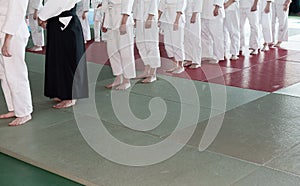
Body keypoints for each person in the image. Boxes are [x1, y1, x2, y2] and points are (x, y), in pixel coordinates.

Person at [38, 0, 89, 108]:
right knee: (57, 58)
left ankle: (70, 96)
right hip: (56, 20)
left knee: (68, 59)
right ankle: (60, 91)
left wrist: (42, 16)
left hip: (66, 22)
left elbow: (58, 2)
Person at [0, 0, 33, 126]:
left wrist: (7, 40)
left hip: (13, 33)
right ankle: (14, 108)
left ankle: (24, 112)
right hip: (2, 29)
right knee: (4, 74)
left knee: (15, 73)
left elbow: (16, 13)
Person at [102, 0, 136, 90]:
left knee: (126, 51)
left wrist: (124, 22)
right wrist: (104, 22)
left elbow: (128, 3)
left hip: (123, 19)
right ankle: (118, 77)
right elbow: (106, 5)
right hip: (110, 20)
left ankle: (126, 80)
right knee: (112, 51)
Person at [133, 0, 161, 83]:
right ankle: (146, 71)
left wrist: (150, 17)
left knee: (151, 45)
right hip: (139, 18)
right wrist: (135, 17)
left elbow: (154, 2)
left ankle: (153, 74)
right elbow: (136, 3)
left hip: (149, 18)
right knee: (140, 44)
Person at [158, 0, 187, 73]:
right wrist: (157, 19)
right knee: (168, 42)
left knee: (177, 42)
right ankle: (175, 65)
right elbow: (161, 6)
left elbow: (181, 6)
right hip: (167, 18)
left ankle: (181, 65)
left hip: (176, 18)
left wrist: (177, 20)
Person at [183, 0, 203, 68]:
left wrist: (194, 15)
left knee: (195, 38)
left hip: (193, 15)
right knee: (187, 38)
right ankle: (189, 59)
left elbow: (198, 2)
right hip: (185, 14)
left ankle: (196, 61)